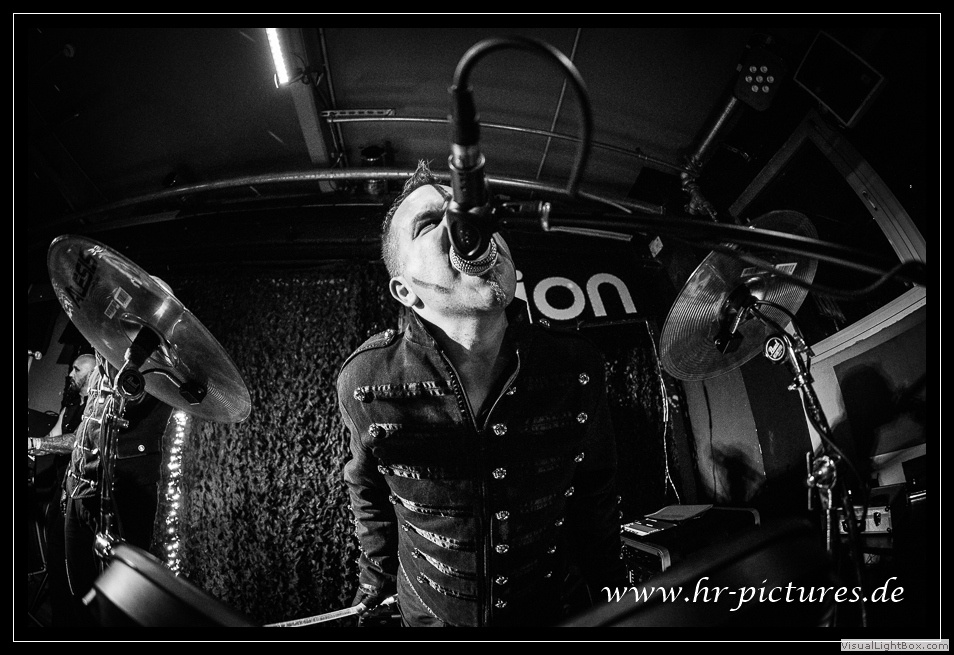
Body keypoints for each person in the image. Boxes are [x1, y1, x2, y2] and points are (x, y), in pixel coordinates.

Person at [337, 160, 627, 627]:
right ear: (405, 291)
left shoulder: (577, 366)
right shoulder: (365, 380)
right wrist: (372, 589)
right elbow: (367, 490)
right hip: (428, 619)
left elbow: (597, 492)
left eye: (469, 210)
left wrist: (618, 599)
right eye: (429, 223)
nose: (463, 222)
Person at [61, 349, 174, 624]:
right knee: (80, 592)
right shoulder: (101, 364)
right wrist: (69, 477)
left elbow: (131, 403)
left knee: (119, 602)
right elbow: (86, 430)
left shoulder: (160, 366)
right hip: (80, 487)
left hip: (123, 491)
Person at [27, 352, 96, 626]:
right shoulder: (70, 407)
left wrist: (35, 444)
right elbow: (53, 437)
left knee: (73, 565)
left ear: (92, 375)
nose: (70, 374)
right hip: (61, 489)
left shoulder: (95, 411)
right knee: (55, 557)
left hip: (80, 496)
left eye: (77, 370)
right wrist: (31, 446)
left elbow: (75, 442)